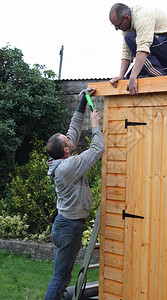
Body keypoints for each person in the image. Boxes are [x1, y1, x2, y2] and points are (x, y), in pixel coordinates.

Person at [44, 88, 104, 300]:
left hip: (65, 225)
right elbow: (97, 149)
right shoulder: (68, 167)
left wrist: (81, 103)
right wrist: (95, 125)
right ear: (67, 150)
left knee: (61, 276)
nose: (69, 137)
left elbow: (73, 129)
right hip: (68, 227)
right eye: (66, 139)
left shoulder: (61, 158)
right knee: (60, 278)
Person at [109, 3, 167, 95]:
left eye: (117, 25)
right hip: (160, 51)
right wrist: (121, 76)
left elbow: (143, 49)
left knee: (130, 39)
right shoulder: (127, 27)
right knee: (129, 80)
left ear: (126, 18)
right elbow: (127, 53)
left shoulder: (142, 18)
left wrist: (133, 77)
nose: (116, 29)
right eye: (114, 25)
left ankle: (161, 76)